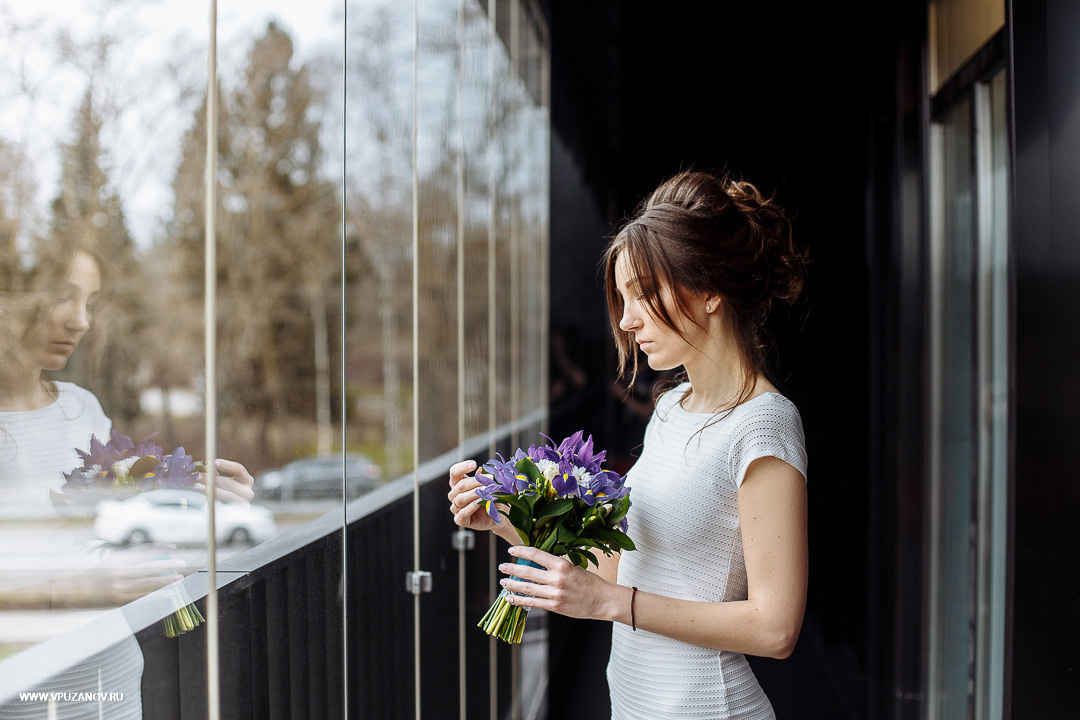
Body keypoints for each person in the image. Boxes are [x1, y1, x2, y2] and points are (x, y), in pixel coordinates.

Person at [448, 170, 809, 719]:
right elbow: (622, 569)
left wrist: (612, 605)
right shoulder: (669, 408)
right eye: (622, 298)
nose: (628, 318)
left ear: (710, 289)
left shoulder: (764, 426)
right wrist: (502, 517)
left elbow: (775, 627)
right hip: (636, 701)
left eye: (645, 294)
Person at [0, 247, 255, 518]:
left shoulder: (82, 408)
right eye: (62, 297)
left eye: (91, 305)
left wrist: (200, 493)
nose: (83, 322)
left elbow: (119, 517)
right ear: (10, 298)